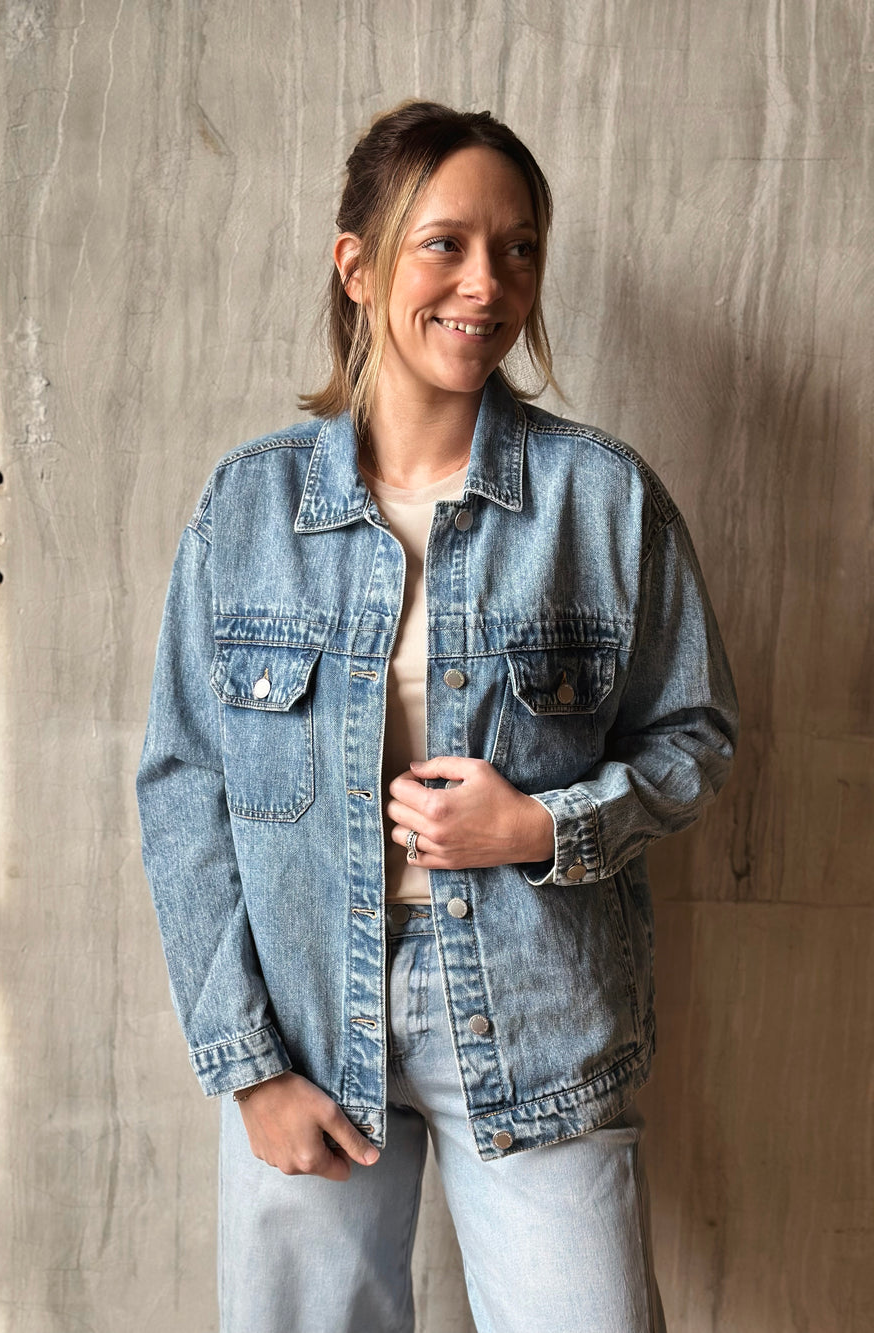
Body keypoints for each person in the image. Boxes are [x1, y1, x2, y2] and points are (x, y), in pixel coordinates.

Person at [136, 100, 738, 1333]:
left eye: (518, 250)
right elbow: (184, 789)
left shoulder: (600, 499)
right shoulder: (247, 509)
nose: (487, 285)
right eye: (445, 245)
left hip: (539, 1019)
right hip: (308, 1028)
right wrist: (248, 1068)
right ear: (356, 266)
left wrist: (545, 826)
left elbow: (695, 735)